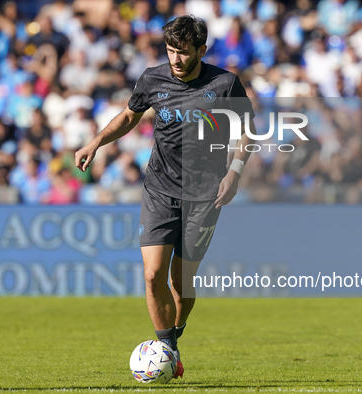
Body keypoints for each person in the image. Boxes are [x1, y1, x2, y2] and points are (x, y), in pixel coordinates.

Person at [74, 15, 255, 378]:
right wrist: (95, 141)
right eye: (171, 50)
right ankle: (166, 348)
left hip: (205, 195)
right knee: (152, 273)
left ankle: (171, 343)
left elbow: (246, 132)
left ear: (201, 51)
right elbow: (129, 117)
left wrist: (234, 174)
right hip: (159, 188)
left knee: (180, 281)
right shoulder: (152, 79)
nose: (175, 59)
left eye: (184, 52)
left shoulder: (225, 83)